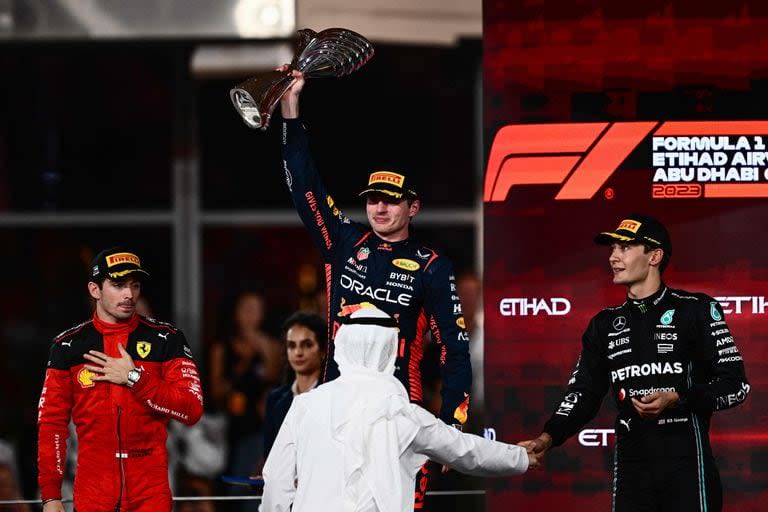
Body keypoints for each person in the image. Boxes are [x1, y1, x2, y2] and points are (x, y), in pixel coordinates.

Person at [278, 67, 472, 432]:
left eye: (391, 202)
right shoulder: (344, 242)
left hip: (398, 413)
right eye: (372, 201)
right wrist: (290, 107)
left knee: (397, 492)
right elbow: (304, 185)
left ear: (412, 208)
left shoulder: (432, 266)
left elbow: (454, 349)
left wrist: (452, 422)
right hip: (337, 410)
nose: (379, 209)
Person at [519, 214, 750, 512]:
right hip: (632, 465)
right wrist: (549, 437)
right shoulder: (603, 324)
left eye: (625, 248)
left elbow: (736, 385)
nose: (613, 257)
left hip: (687, 464)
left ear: (655, 256)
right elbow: (584, 394)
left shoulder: (697, 310)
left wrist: (678, 399)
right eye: (612, 249)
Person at [260, 307, 537, 512]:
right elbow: (463, 451)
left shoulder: (306, 405)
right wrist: (520, 457)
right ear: (390, 349)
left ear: (342, 346)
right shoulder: (401, 413)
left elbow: (275, 480)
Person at [37, 247, 204, 512]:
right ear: (95, 290)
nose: (129, 294)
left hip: (151, 491)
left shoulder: (167, 339)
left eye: (134, 285)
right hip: (93, 491)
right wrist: (51, 495)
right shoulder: (67, 346)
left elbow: (191, 410)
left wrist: (134, 378)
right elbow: (51, 425)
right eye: (118, 285)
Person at [263, 311, 327, 458]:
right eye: (292, 346)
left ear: (323, 350)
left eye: (307, 345)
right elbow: (270, 457)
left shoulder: (332, 398)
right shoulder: (275, 399)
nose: (298, 352)